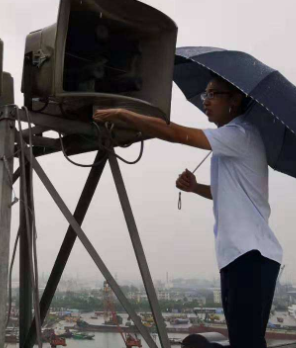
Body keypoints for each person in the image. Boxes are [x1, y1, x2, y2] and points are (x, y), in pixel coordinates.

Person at [93, 75, 282, 348]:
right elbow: (230, 194)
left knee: (245, 342)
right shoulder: (234, 141)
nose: (206, 101)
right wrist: (195, 188)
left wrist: (125, 115)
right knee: (244, 341)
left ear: (235, 100)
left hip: (250, 256)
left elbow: (176, 133)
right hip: (240, 256)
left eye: (213, 94)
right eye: (205, 95)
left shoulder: (240, 134)